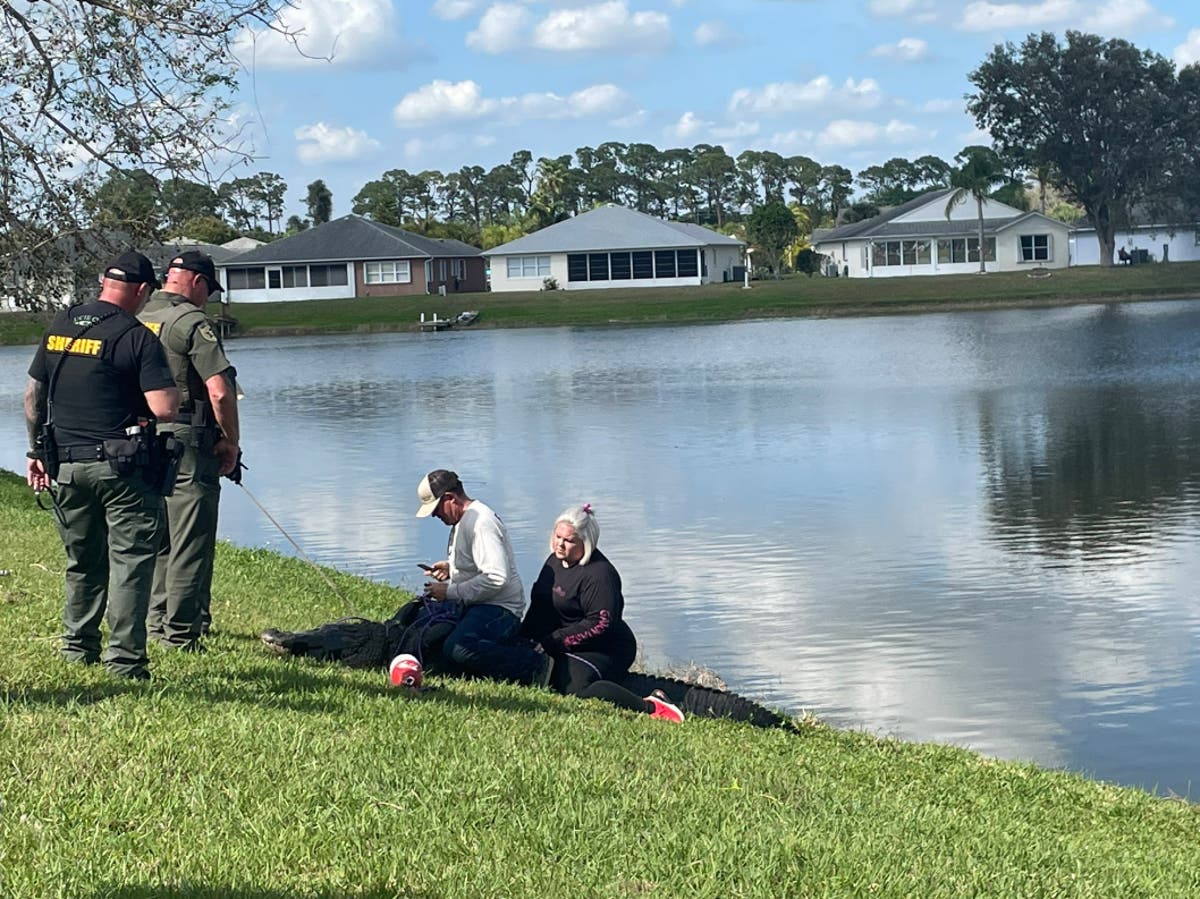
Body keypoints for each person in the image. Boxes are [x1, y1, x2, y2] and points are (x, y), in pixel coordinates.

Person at [24, 250, 180, 680]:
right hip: (121, 469)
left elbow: (32, 396)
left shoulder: (62, 325)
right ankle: (125, 661)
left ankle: (78, 647)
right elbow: (164, 407)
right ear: (143, 290)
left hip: (66, 465)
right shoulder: (136, 335)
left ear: (103, 281)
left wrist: (36, 452)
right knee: (130, 561)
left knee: (82, 559)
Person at [139, 251, 241, 649]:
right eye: (208, 291)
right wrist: (230, 440)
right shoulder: (191, 322)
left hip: (143, 438)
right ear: (197, 282)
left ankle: (156, 622)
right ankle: (182, 635)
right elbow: (219, 392)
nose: (206, 299)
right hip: (187, 440)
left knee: (159, 538)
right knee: (190, 540)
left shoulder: (138, 315)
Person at [520, 504, 684, 722]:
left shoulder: (599, 575)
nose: (559, 544)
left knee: (573, 688)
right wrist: (524, 637)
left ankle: (652, 706)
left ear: (585, 543)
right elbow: (540, 604)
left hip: (606, 647)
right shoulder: (554, 562)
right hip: (569, 643)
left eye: (568, 540)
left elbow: (600, 624)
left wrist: (555, 640)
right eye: (557, 536)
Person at [415, 469, 547, 683]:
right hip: (479, 605)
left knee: (458, 648)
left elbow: (496, 577)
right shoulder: (464, 520)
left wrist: (450, 592)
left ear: (450, 498)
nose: (434, 515)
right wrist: (452, 568)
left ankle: (534, 664)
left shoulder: (481, 522)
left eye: (436, 509)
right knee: (438, 649)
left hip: (501, 609)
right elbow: (480, 563)